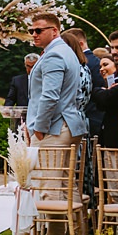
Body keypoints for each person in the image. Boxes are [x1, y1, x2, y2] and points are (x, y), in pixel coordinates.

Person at [25, 13, 88, 149]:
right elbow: (77, 93)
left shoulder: (54, 54)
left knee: (43, 171)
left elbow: (50, 96)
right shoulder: (66, 51)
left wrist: (39, 128)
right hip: (67, 124)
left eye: (39, 30)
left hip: (54, 129)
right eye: (32, 31)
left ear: (54, 31)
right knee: (63, 171)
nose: (34, 34)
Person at [64, 28, 104, 137]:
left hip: (89, 117)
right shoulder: (95, 61)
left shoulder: (83, 64)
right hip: (92, 118)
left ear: (80, 44)